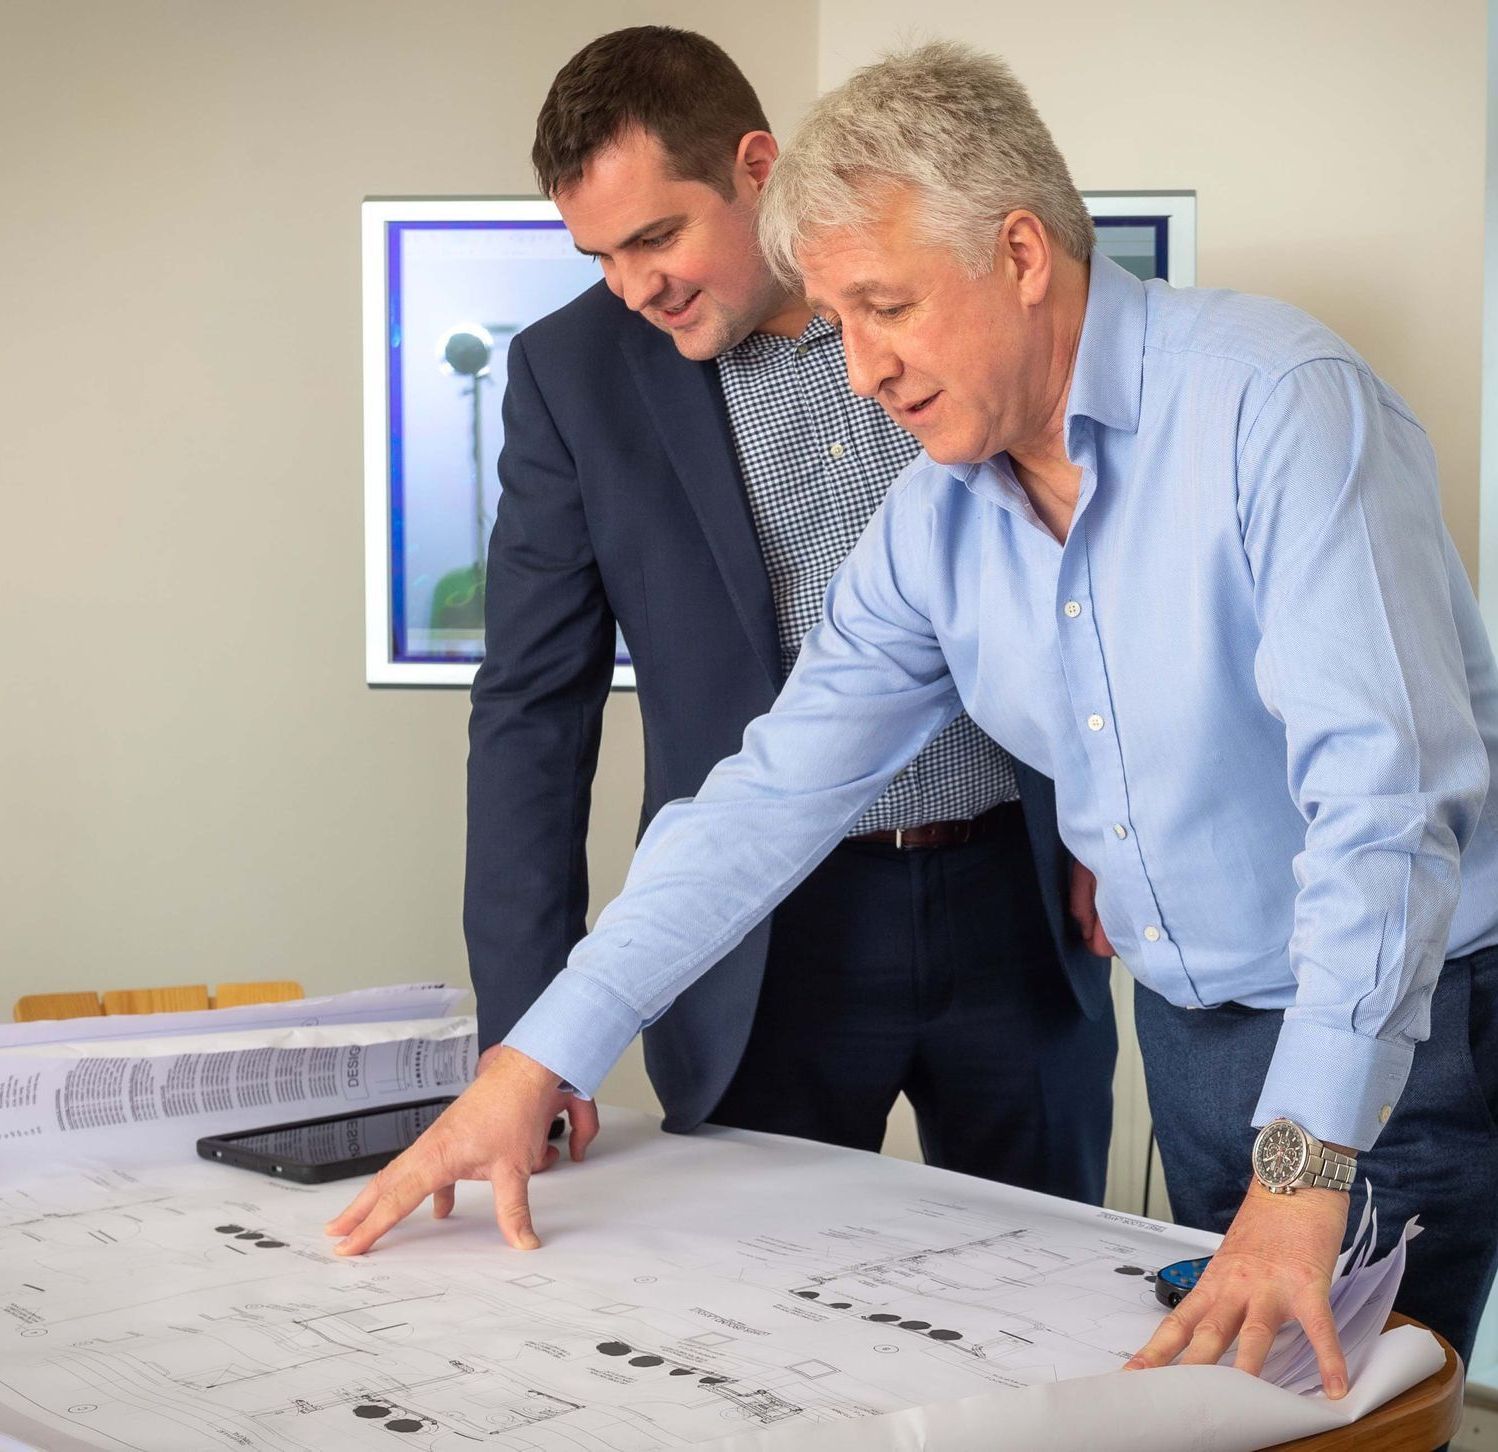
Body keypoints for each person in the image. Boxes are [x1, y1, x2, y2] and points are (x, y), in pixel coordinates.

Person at [331, 39, 1498, 1397]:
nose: (862, 372)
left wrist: (1298, 1173)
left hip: (1395, 1028)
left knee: (1354, 1420)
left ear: (1017, 255)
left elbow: (1384, 811)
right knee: (1217, 1413)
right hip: (1190, 1033)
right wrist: (531, 1058)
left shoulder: (1277, 408)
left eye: (884, 308)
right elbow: (766, 799)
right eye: (839, 323)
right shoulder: (936, 521)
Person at [450, 27, 1116, 1211]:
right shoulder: (573, 377)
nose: (634, 286)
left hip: (1013, 894)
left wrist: (1112, 827)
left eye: (657, 235)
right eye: (601, 255)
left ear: (757, 165)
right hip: (757, 939)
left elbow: (1099, 581)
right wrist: (530, 1036)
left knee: (1046, 1287)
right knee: (758, 1324)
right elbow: (530, 717)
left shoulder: (953, 306)